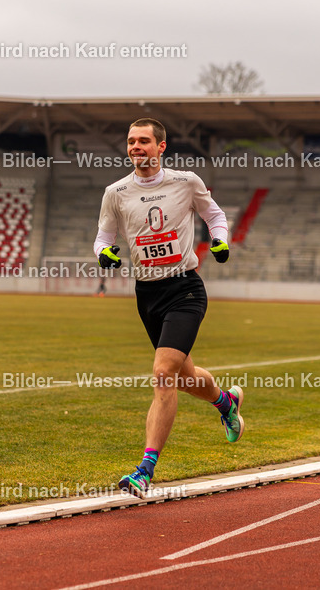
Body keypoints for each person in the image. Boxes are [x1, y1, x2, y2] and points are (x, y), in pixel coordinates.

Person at [95, 117, 243, 498]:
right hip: (147, 294)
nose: (135, 147)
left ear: (162, 147)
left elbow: (214, 215)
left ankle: (144, 470)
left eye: (144, 141)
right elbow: (103, 236)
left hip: (185, 290)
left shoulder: (185, 181)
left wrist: (220, 240)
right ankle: (225, 402)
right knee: (183, 376)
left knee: (163, 373)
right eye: (131, 141)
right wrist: (105, 253)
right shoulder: (115, 192)